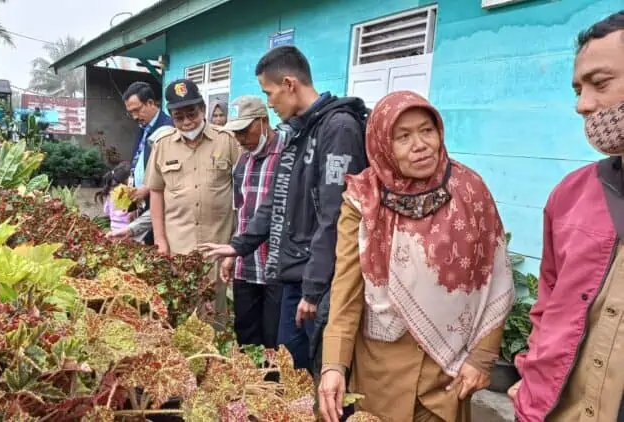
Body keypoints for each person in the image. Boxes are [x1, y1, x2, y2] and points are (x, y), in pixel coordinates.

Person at [316, 91, 514, 422]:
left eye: (427, 130)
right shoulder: (363, 201)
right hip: (381, 372)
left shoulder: (470, 192)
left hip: (448, 372)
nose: (420, 144)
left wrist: (483, 357)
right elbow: (346, 291)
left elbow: (495, 277)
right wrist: (334, 365)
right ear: (382, 145)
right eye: (403, 136)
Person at [199, 46, 368, 373]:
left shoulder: (338, 129)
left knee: (318, 375)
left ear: (290, 83)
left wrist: (314, 290)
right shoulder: (297, 132)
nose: (270, 102)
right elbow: (275, 200)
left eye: (270, 92)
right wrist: (239, 245)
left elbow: (335, 217)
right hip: (296, 277)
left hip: (321, 283)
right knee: (290, 370)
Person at [510, 11, 624, 422]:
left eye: (600, 83)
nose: (582, 105)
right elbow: (549, 302)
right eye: (578, 89)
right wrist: (530, 375)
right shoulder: (571, 195)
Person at [145, 79, 241, 324]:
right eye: (179, 117)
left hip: (216, 247)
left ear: (203, 109)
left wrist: (237, 241)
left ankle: (214, 358)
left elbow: (243, 191)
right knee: (181, 313)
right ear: (171, 116)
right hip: (178, 249)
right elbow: (156, 191)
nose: (187, 122)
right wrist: (160, 240)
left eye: (192, 114)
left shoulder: (227, 140)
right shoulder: (162, 146)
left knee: (214, 312)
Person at [202, 95, 288, 348]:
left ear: (264, 121)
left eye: (245, 131)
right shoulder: (243, 160)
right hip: (247, 265)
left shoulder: (289, 154)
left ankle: (274, 388)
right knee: (247, 337)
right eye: (236, 133)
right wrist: (233, 253)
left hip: (277, 267)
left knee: (276, 342)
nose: (240, 139)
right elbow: (240, 210)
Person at [121, 81, 173, 244]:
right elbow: (137, 163)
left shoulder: (169, 128)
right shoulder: (142, 128)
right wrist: (133, 206)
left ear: (150, 103)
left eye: (137, 110)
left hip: (162, 205)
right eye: (131, 113)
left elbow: (171, 172)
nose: (135, 116)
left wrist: (148, 189)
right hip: (143, 204)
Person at [96, 162, 134, 233]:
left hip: (114, 226)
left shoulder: (111, 193)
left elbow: (106, 211)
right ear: (128, 179)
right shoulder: (131, 193)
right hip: (129, 228)